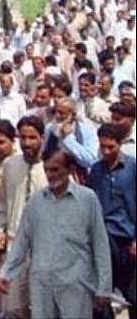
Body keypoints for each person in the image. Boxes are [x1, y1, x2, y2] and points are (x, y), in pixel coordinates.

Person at [0, 148, 112, 319]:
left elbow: (100, 244)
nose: (50, 175)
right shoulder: (36, 202)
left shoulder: (88, 200)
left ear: (70, 170)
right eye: (47, 170)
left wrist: (104, 287)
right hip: (42, 285)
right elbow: (21, 242)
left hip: (75, 285)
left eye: (55, 169)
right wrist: (6, 273)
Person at [0, 116, 49, 318]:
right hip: (15, 247)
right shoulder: (10, 166)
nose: (27, 143)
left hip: (46, 250)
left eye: (32, 138)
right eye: (23, 138)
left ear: (42, 137)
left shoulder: (52, 167)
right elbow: (1, 207)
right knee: (14, 308)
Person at [87, 124, 136, 319]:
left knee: (133, 295)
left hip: (128, 239)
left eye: (111, 147)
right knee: (101, 295)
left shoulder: (132, 168)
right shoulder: (97, 170)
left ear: (120, 145)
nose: (106, 152)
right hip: (104, 239)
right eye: (102, 147)